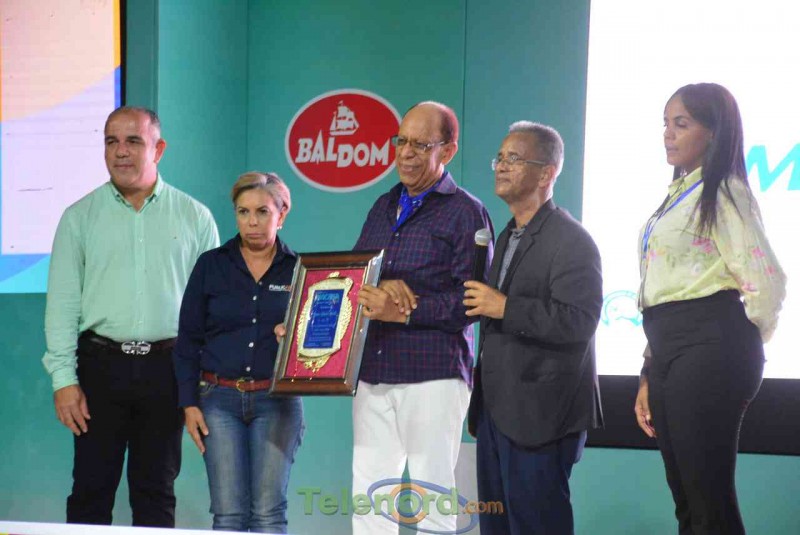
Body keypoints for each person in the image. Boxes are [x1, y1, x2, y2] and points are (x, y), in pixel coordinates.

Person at [43, 106, 220, 526]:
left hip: (168, 370)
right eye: (112, 141)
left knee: (156, 492)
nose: (121, 151)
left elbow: (211, 310)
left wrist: (198, 383)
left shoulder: (195, 218)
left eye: (133, 141)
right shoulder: (78, 218)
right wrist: (64, 380)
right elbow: (63, 305)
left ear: (159, 149)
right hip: (99, 369)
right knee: (90, 491)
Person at [634, 83, 786, 535]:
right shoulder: (677, 194)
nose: (668, 133)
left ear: (714, 132)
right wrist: (649, 369)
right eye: (665, 123)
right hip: (669, 349)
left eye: (681, 124)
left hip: (711, 345)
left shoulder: (725, 191)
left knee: (708, 500)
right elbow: (662, 290)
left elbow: (768, 282)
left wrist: (735, 345)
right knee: (687, 502)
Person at [352, 101, 494, 534]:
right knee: (368, 501)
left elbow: (471, 301)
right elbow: (356, 277)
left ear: (448, 151)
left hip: (434, 373)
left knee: (432, 502)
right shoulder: (382, 205)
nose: (406, 153)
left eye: (420, 144)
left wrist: (403, 311)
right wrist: (377, 288)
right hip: (374, 370)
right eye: (401, 141)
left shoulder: (466, 212)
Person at [464, 121, 604, 534]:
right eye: (499, 158)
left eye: (514, 158)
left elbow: (579, 321)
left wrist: (505, 307)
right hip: (496, 413)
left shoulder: (572, 240)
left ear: (546, 174)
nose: (501, 166)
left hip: (541, 416)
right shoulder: (507, 235)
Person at [172, 172, 304, 533]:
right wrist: (189, 404)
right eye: (243, 212)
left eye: (262, 211)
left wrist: (294, 338)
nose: (252, 222)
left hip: (277, 401)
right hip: (218, 401)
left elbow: (319, 342)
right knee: (229, 514)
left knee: (268, 513)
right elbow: (188, 340)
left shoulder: (300, 270)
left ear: (282, 213)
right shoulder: (211, 265)